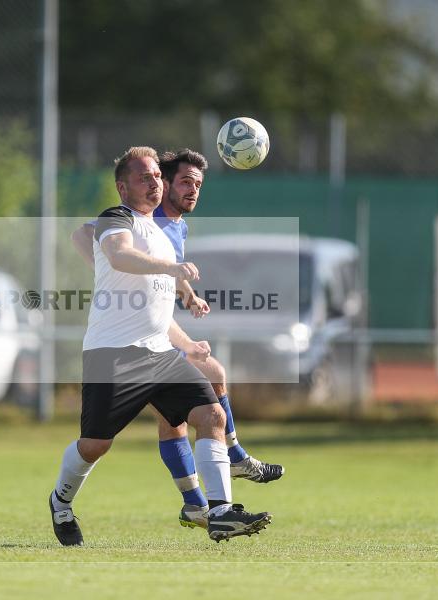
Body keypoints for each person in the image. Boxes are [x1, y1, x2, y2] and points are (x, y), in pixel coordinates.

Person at [50, 146, 272, 546]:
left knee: (212, 416)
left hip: (159, 355)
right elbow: (119, 256)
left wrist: (185, 333)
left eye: (156, 176)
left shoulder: (164, 237)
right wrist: (172, 270)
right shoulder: (114, 219)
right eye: (143, 177)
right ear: (122, 187)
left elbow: (156, 307)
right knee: (96, 445)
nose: (153, 182)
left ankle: (219, 512)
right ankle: (61, 502)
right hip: (112, 355)